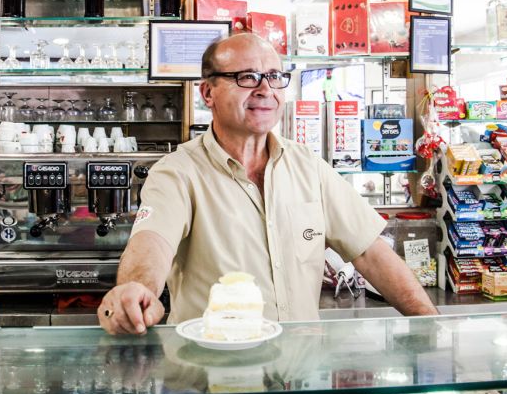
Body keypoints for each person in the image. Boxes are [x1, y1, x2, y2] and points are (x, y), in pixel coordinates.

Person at [98, 33, 438, 335]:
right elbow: (152, 244)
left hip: (300, 377)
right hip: (211, 380)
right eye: (247, 77)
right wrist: (136, 289)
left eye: (274, 77)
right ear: (207, 93)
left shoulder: (307, 166)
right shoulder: (177, 172)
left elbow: (370, 253)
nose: (265, 90)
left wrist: (432, 325)